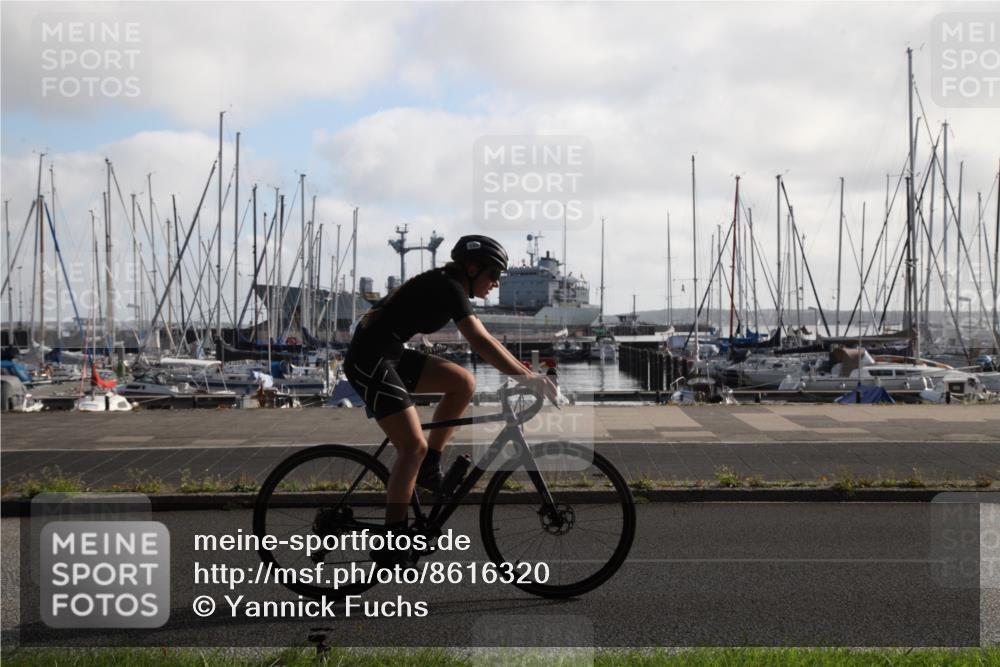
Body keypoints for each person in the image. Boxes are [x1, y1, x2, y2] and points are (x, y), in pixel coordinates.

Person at [343, 235, 557, 567]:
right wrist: (526, 379)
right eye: (492, 274)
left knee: (463, 382)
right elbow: (479, 340)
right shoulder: (448, 287)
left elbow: (487, 339)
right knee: (411, 447)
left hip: (390, 354)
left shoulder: (450, 284)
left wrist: (526, 373)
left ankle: (430, 466)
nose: (496, 283)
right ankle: (392, 541)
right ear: (471, 269)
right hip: (368, 359)